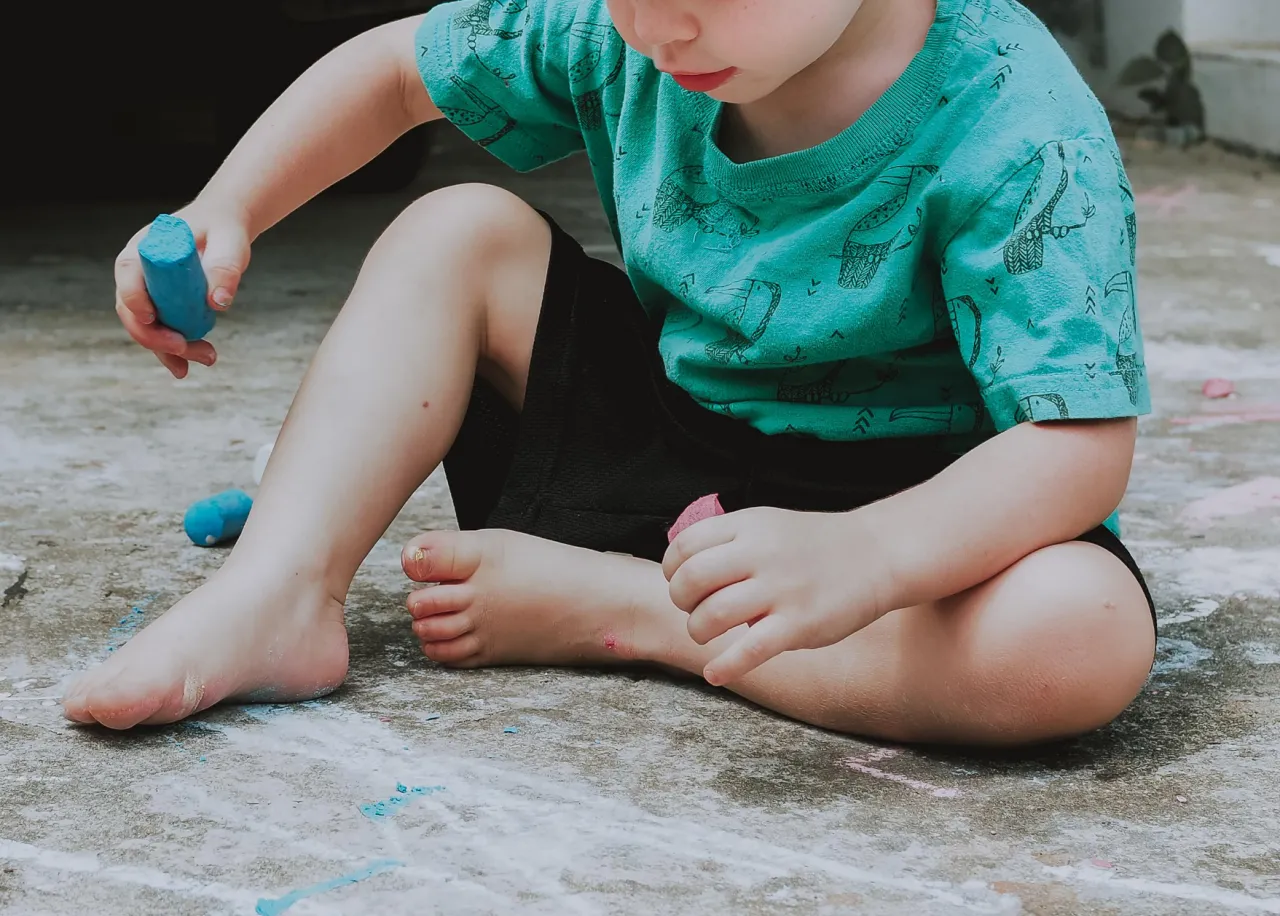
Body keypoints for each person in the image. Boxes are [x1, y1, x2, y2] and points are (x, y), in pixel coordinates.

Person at [64, 0, 1157, 746]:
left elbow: (1078, 445)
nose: (659, 27)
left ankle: (633, 614)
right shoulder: (630, 27)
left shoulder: (1017, 126)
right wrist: (227, 207)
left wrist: (870, 551)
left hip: (911, 522)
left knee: (1078, 639)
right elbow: (398, 72)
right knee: (457, 230)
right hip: (664, 448)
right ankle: (279, 591)